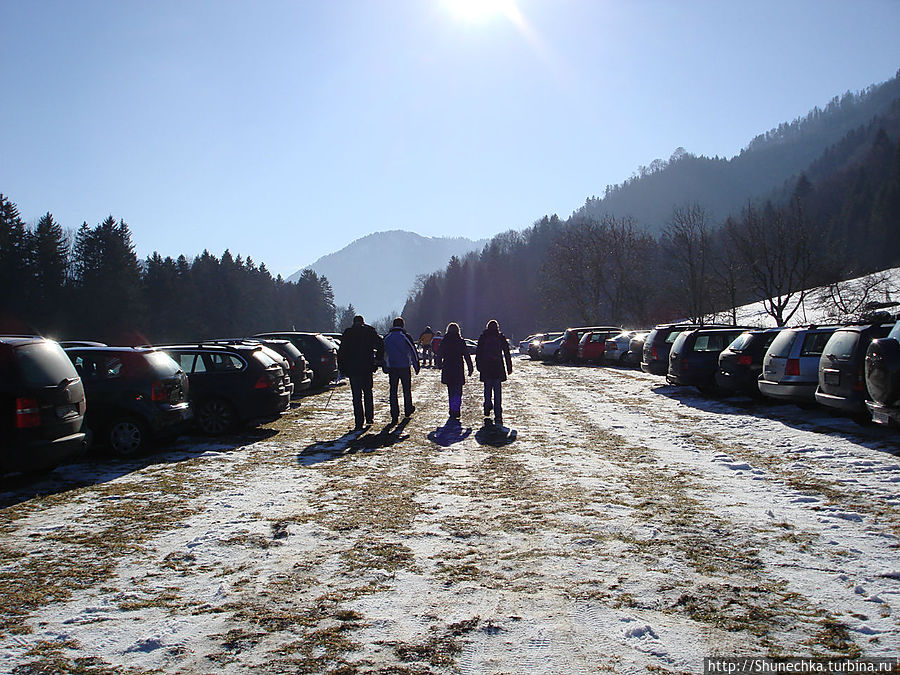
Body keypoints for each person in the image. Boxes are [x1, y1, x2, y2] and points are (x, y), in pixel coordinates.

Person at [337, 315, 384, 430]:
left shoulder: (348, 333)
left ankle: (359, 421)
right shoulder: (369, 331)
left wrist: (342, 368)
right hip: (367, 367)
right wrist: (377, 359)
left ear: (354, 322)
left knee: (356, 396)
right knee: (368, 393)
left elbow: (342, 351)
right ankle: (369, 418)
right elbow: (381, 344)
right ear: (363, 322)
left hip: (353, 369)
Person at [475, 319, 513, 427]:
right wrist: (509, 367)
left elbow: (478, 353)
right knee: (497, 391)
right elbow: (506, 352)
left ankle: (487, 405)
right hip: (497, 367)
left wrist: (479, 366)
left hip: (486, 367)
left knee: (487, 389)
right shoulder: (500, 337)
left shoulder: (483, 337)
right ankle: (498, 413)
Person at [384, 317, 420, 424]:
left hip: (392, 367)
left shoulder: (387, 337)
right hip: (404, 366)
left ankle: (394, 414)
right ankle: (408, 409)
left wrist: (384, 365)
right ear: (403, 325)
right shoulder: (405, 337)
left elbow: (383, 353)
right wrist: (416, 365)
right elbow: (413, 351)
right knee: (406, 389)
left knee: (393, 391)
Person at [438, 323, 473, 419]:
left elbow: (439, 353)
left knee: (451, 390)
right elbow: (466, 355)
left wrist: (439, 364)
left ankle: (452, 409)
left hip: (448, 367)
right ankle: (456, 409)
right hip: (458, 367)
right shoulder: (460, 341)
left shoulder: (445, 341)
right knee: (458, 391)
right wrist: (470, 367)